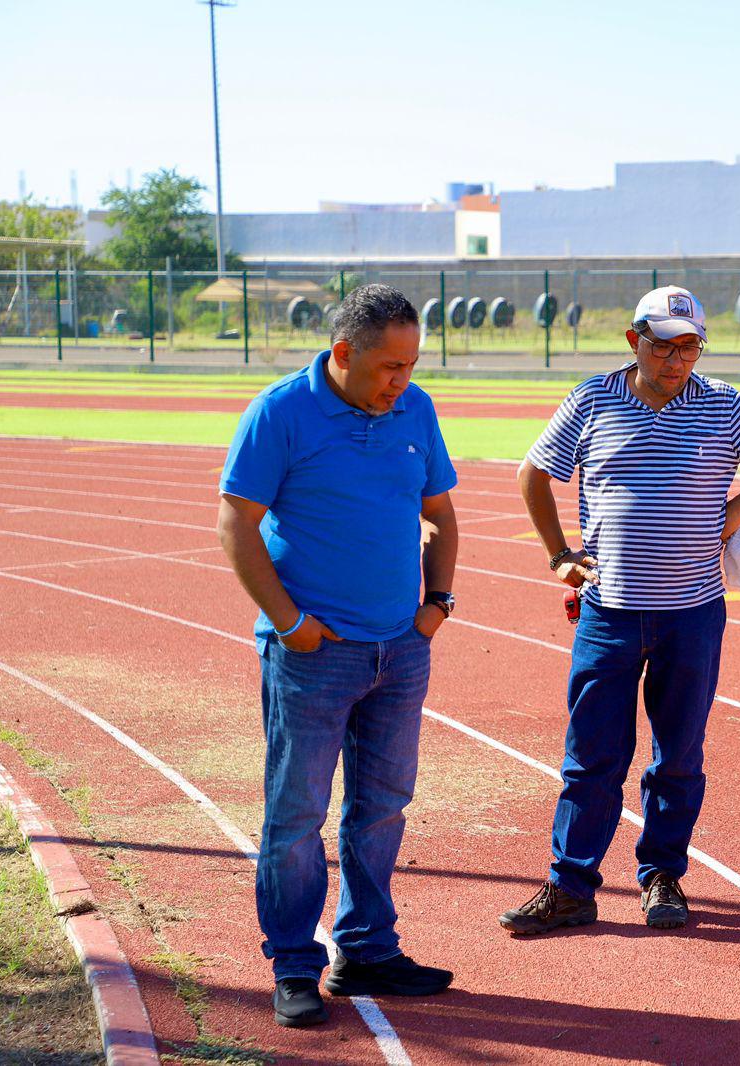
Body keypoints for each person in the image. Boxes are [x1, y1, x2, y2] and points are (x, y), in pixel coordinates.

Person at [499, 286, 740, 935]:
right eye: (664, 345)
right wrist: (557, 552)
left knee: (678, 755)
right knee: (592, 755)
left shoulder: (724, 404)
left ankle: (662, 878)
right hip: (609, 611)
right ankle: (570, 886)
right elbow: (534, 473)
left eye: (690, 346)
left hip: (693, 613)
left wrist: (737, 510)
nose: (677, 360)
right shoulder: (592, 400)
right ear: (633, 340)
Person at [217, 284, 459, 1027]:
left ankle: (367, 950)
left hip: (400, 652)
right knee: (296, 816)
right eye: (390, 366)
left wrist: (436, 606)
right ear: (344, 353)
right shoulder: (280, 412)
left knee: (382, 808)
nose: (403, 382)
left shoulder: (415, 410)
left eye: (413, 365)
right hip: (314, 657)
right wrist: (290, 624)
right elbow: (237, 524)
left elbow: (442, 514)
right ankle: (294, 964)